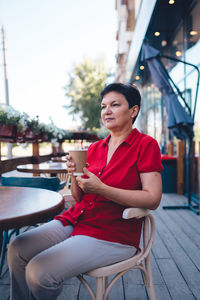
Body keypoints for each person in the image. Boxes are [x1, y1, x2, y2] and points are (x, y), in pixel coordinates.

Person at [7, 83, 163, 300]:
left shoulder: (146, 145)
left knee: (39, 271)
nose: (106, 111)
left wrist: (103, 189)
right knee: (17, 248)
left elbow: (152, 199)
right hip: (77, 219)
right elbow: (80, 197)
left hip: (113, 232)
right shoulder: (94, 149)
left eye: (115, 105)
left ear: (133, 110)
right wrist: (74, 176)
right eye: (103, 106)